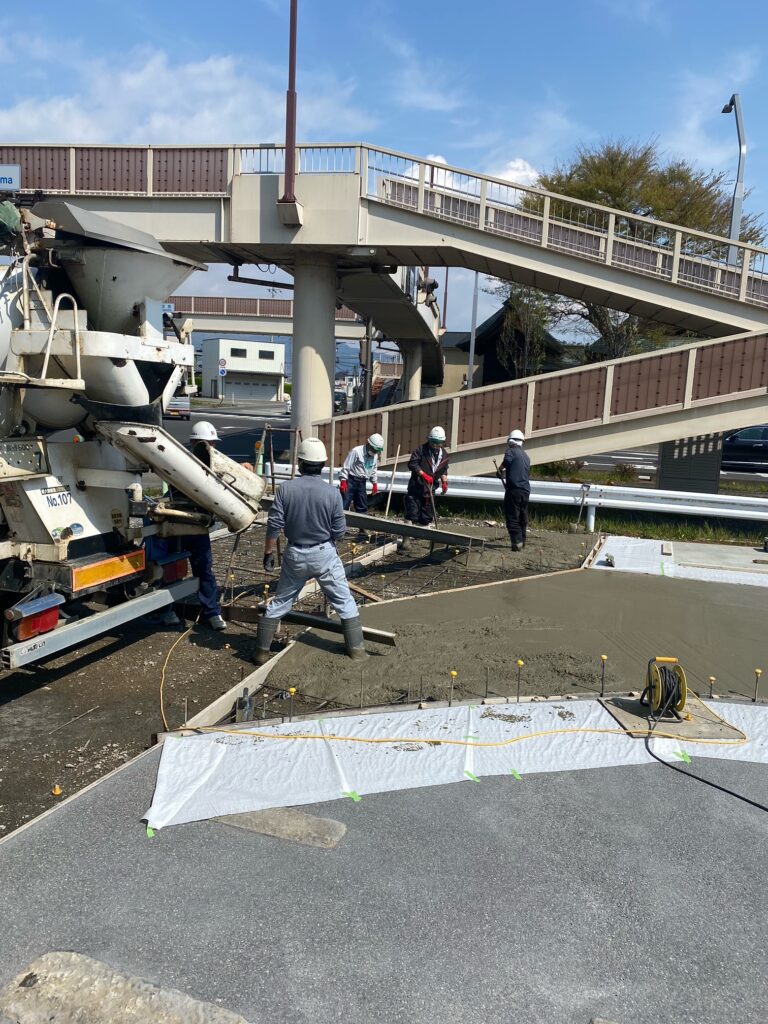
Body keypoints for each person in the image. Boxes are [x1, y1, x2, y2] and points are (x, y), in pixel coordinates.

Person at [253, 437, 366, 665]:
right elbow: (340, 531)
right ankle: (357, 652)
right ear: (322, 464)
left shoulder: (286, 489)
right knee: (344, 602)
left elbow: (274, 525)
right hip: (324, 553)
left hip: (295, 553)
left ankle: (260, 653)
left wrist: (268, 553)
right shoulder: (332, 493)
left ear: (300, 463)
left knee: (280, 601)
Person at [184, 420, 227, 631]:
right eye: (208, 443)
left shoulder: (214, 464)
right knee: (169, 569)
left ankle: (211, 612)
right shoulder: (181, 462)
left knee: (204, 569)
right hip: (178, 521)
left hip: (198, 524)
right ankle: (167, 610)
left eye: (213, 443)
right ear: (195, 443)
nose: (212, 447)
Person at [404, 426, 449, 528]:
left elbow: (444, 470)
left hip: (430, 489)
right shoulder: (421, 450)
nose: (435, 445)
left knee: (427, 516)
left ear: (442, 442)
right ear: (429, 440)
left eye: (438, 443)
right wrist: (423, 475)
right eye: (433, 442)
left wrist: (444, 482)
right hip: (416, 487)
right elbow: (412, 464)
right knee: (412, 513)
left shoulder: (444, 455)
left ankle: (423, 532)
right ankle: (407, 533)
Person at [499, 429, 530, 552]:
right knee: (522, 516)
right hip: (525, 490)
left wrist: (500, 470)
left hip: (514, 489)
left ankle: (517, 543)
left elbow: (507, 461)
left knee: (512, 516)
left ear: (511, 441)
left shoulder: (511, 451)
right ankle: (523, 540)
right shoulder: (526, 456)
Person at [339, 433, 384, 514]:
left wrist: (374, 483)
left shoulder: (375, 456)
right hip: (351, 480)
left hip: (362, 482)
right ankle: (339, 520)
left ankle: (362, 521)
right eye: (374, 449)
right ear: (369, 444)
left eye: (377, 450)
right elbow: (346, 466)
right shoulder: (356, 451)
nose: (375, 452)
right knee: (344, 503)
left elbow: (373, 469)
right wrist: (343, 480)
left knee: (362, 506)